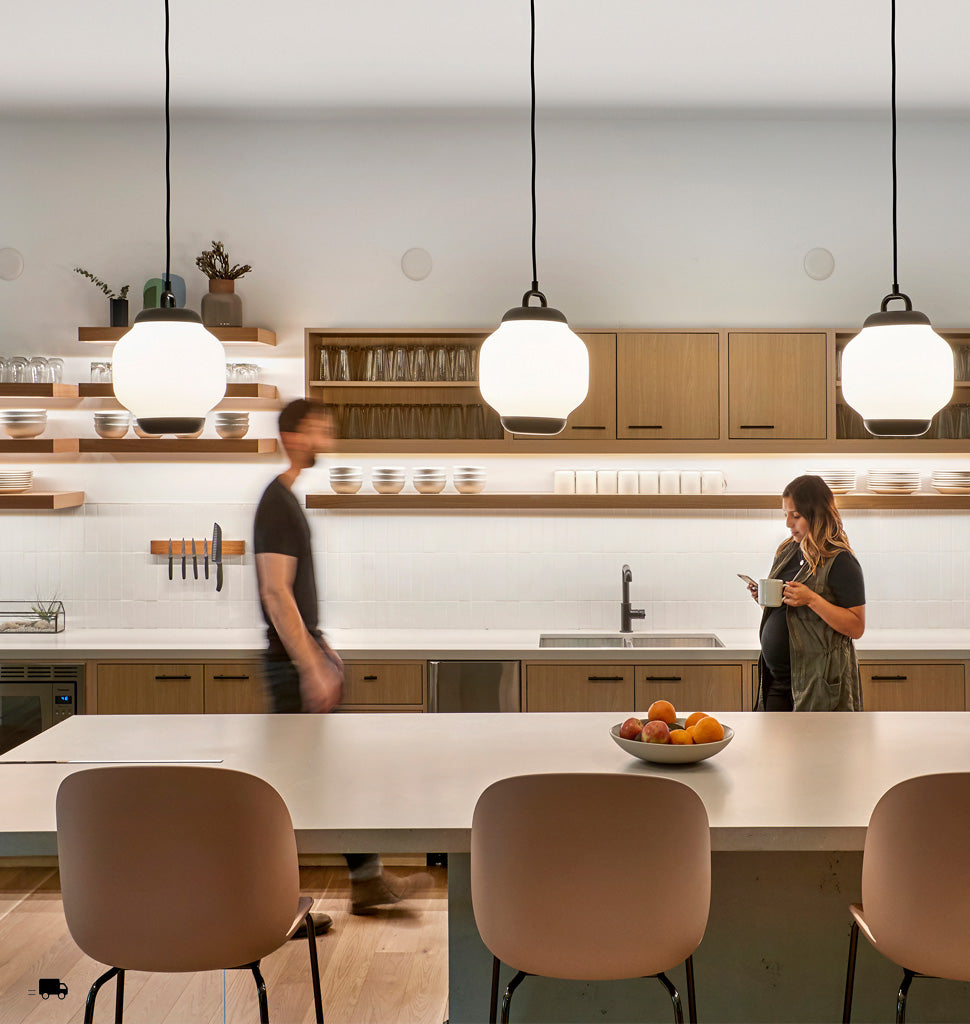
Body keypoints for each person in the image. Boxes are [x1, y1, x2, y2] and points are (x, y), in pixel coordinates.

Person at [254, 398, 431, 913]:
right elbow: (274, 592)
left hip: (299, 659)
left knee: (324, 776)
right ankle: (275, 905)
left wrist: (321, 644)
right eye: (316, 430)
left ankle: (365, 881)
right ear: (291, 435)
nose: (326, 439)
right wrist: (309, 666)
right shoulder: (276, 505)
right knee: (289, 789)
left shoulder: (285, 499)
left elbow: (291, 594)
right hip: (290, 668)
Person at [749, 474, 866, 711]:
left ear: (817, 514)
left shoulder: (841, 561)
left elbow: (856, 627)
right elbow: (792, 617)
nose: (788, 524)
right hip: (777, 683)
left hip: (818, 687)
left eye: (796, 516)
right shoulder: (788, 550)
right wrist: (765, 601)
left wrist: (812, 599)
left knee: (815, 748)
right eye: (785, 515)